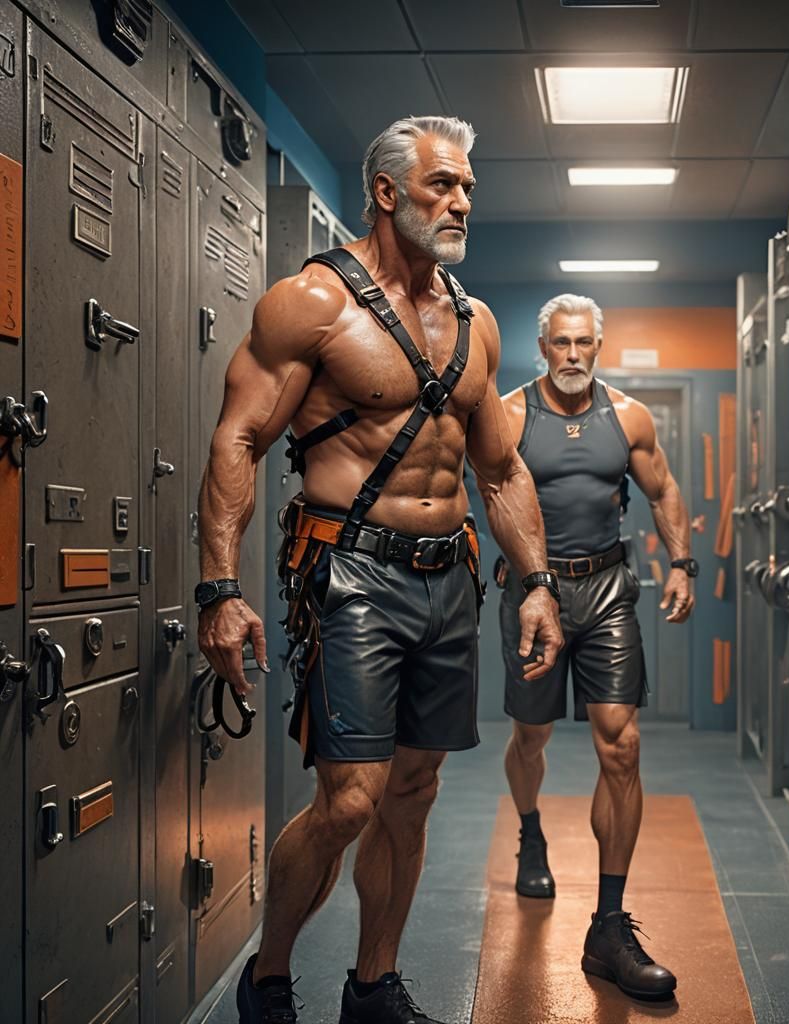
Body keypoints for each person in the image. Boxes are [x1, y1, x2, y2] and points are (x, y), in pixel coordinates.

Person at [196, 115, 563, 1024]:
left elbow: (502, 468)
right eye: (444, 184)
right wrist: (220, 588)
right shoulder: (313, 305)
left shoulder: (475, 325)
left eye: (469, 186)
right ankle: (270, 976)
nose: (462, 201)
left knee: (413, 792)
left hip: (450, 578)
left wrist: (538, 583)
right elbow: (240, 435)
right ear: (389, 192)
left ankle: (373, 986)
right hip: (350, 574)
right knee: (350, 800)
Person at [497, 293, 698, 1002]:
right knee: (532, 736)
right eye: (561, 343)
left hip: (608, 589)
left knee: (622, 744)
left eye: (585, 342)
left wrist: (681, 562)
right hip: (532, 594)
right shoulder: (511, 415)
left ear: (599, 344)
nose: (574, 355)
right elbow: (492, 500)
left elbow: (666, 488)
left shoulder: (629, 416)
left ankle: (609, 925)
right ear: (542, 346)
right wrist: (533, 583)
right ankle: (530, 832)